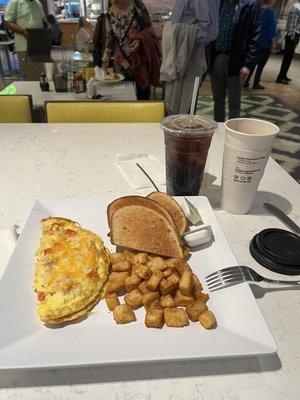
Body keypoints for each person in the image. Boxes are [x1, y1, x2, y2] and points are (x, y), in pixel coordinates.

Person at [160, 0, 220, 115]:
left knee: (183, 110)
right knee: (173, 110)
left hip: (190, 57)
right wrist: (170, 27)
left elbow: (210, 31)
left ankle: (181, 132)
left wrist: (174, 32)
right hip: (179, 56)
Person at [210, 0, 261, 122]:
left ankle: (232, 134)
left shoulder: (250, 4)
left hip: (237, 61)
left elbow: (255, 35)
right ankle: (219, 131)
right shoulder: (218, 3)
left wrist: (247, 64)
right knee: (218, 100)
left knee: (234, 101)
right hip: (217, 58)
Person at [102, 0, 161, 100]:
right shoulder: (109, 13)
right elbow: (110, 39)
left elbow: (150, 30)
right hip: (120, 63)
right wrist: (103, 66)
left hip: (139, 61)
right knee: (122, 98)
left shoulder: (137, 6)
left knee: (143, 97)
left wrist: (139, 39)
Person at [4, 0, 46, 79]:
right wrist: (23, 32)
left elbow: (43, 20)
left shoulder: (37, 3)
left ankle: (39, 90)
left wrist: (47, 30)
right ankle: (29, 91)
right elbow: (8, 22)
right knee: (29, 74)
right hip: (24, 46)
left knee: (40, 72)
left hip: (39, 45)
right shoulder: (14, 2)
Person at [244, 0, 277, 89]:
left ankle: (246, 81)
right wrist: (273, 45)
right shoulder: (271, 13)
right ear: (271, 1)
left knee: (253, 63)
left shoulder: (258, 10)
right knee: (261, 65)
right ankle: (256, 83)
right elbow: (272, 30)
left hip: (255, 42)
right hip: (265, 43)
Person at [276, 1, 300, 84]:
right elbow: (291, 24)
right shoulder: (296, 7)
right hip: (292, 36)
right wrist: (293, 37)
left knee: (289, 57)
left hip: (294, 35)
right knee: (287, 57)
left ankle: (284, 75)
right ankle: (280, 77)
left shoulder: (298, 7)